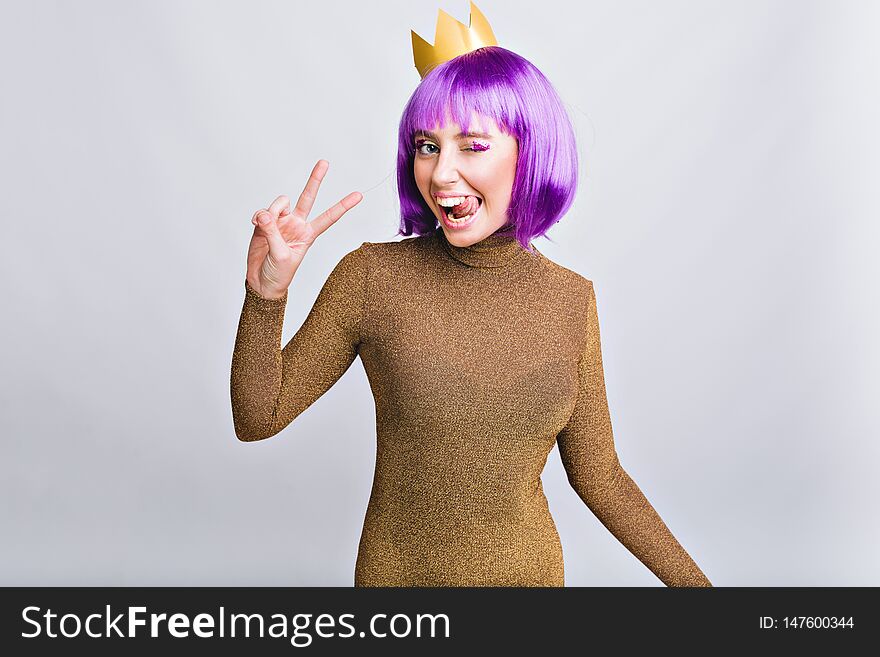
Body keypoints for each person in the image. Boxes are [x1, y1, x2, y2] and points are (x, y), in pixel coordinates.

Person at [230, 3, 712, 587]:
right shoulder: (372, 278)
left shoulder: (569, 300)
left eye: (473, 146)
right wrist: (266, 295)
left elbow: (600, 477)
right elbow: (258, 418)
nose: (440, 174)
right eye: (427, 146)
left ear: (528, 153)